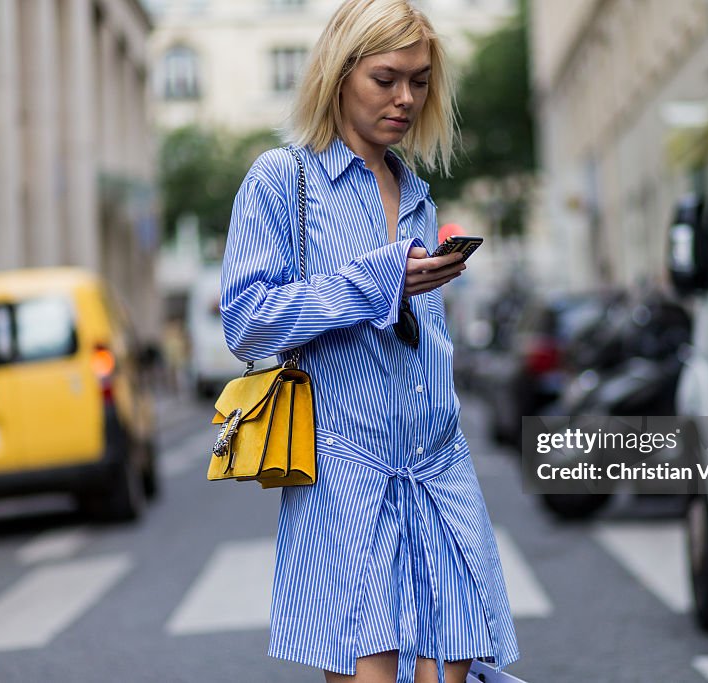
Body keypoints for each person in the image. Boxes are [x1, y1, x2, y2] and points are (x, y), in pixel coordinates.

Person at [219, 1, 521, 682]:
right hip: (345, 482)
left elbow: (424, 344)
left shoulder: (415, 193)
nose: (406, 98)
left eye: (418, 80)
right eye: (386, 78)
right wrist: (375, 282)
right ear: (338, 72)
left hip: (438, 473)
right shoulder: (282, 179)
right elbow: (246, 320)